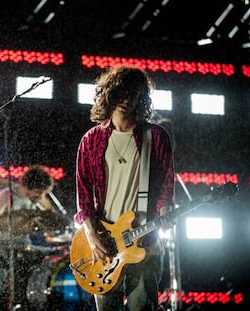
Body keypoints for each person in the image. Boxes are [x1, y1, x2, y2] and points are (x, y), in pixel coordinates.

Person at [74, 65, 175, 311]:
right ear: (110, 93)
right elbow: (83, 194)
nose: (126, 99)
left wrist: (165, 212)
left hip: (145, 239)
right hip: (105, 241)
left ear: (142, 98)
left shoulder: (156, 137)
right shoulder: (91, 140)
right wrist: (91, 234)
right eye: (121, 91)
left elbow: (166, 184)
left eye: (134, 93)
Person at [0, 165, 70, 311]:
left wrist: (52, 225)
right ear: (26, 186)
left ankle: (39, 298)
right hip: (4, 247)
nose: (39, 197)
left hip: (25, 244)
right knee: (7, 286)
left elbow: (52, 217)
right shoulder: (7, 195)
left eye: (42, 194)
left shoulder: (38, 197)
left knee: (54, 255)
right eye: (37, 193)